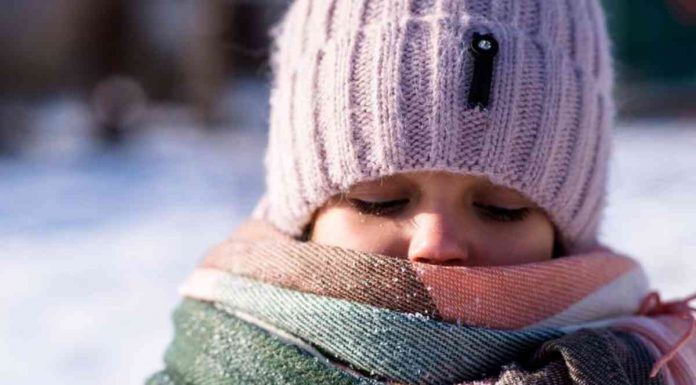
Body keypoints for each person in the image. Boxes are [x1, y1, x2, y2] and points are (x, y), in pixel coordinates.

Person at [147, 1, 696, 384]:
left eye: (501, 209)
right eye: (380, 199)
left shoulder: (652, 366)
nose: (437, 244)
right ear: (304, 218)